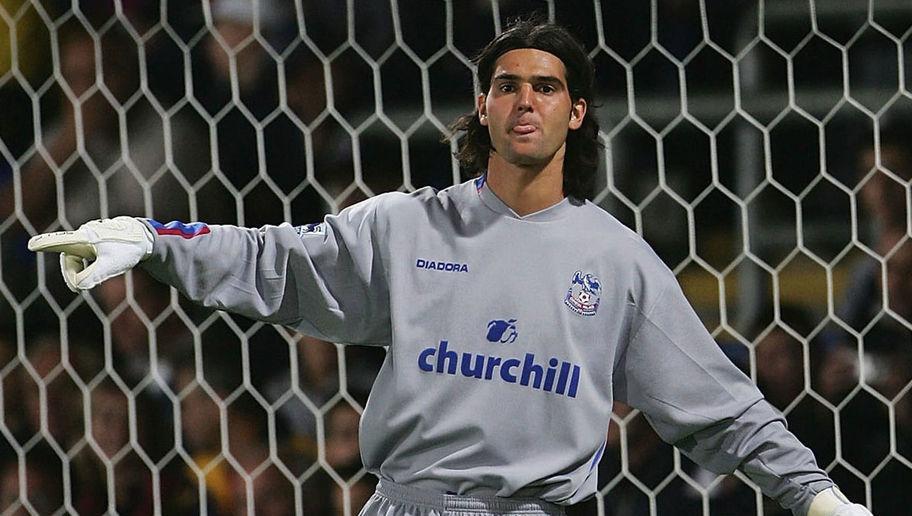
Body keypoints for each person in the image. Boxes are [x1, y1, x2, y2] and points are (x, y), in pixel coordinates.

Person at [27, 19, 873, 516]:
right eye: (506, 85)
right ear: (483, 106)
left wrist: (817, 496)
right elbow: (277, 261)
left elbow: (719, 408)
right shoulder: (407, 226)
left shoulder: (616, 260)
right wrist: (153, 237)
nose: (524, 100)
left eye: (546, 87)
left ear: (577, 111)